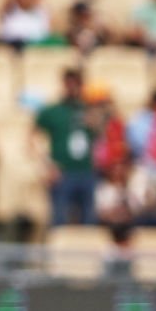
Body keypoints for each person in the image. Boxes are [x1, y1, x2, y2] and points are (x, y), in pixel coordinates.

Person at [36, 69, 99, 226]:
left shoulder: (89, 111)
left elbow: (103, 138)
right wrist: (47, 165)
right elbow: (33, 138)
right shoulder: (52, 112)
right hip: (62, 172)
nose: (72, 88)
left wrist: (95, 121)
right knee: (59, 219)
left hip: (87, 171)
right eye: (68, 83)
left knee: (89, 220)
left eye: (76, 83)